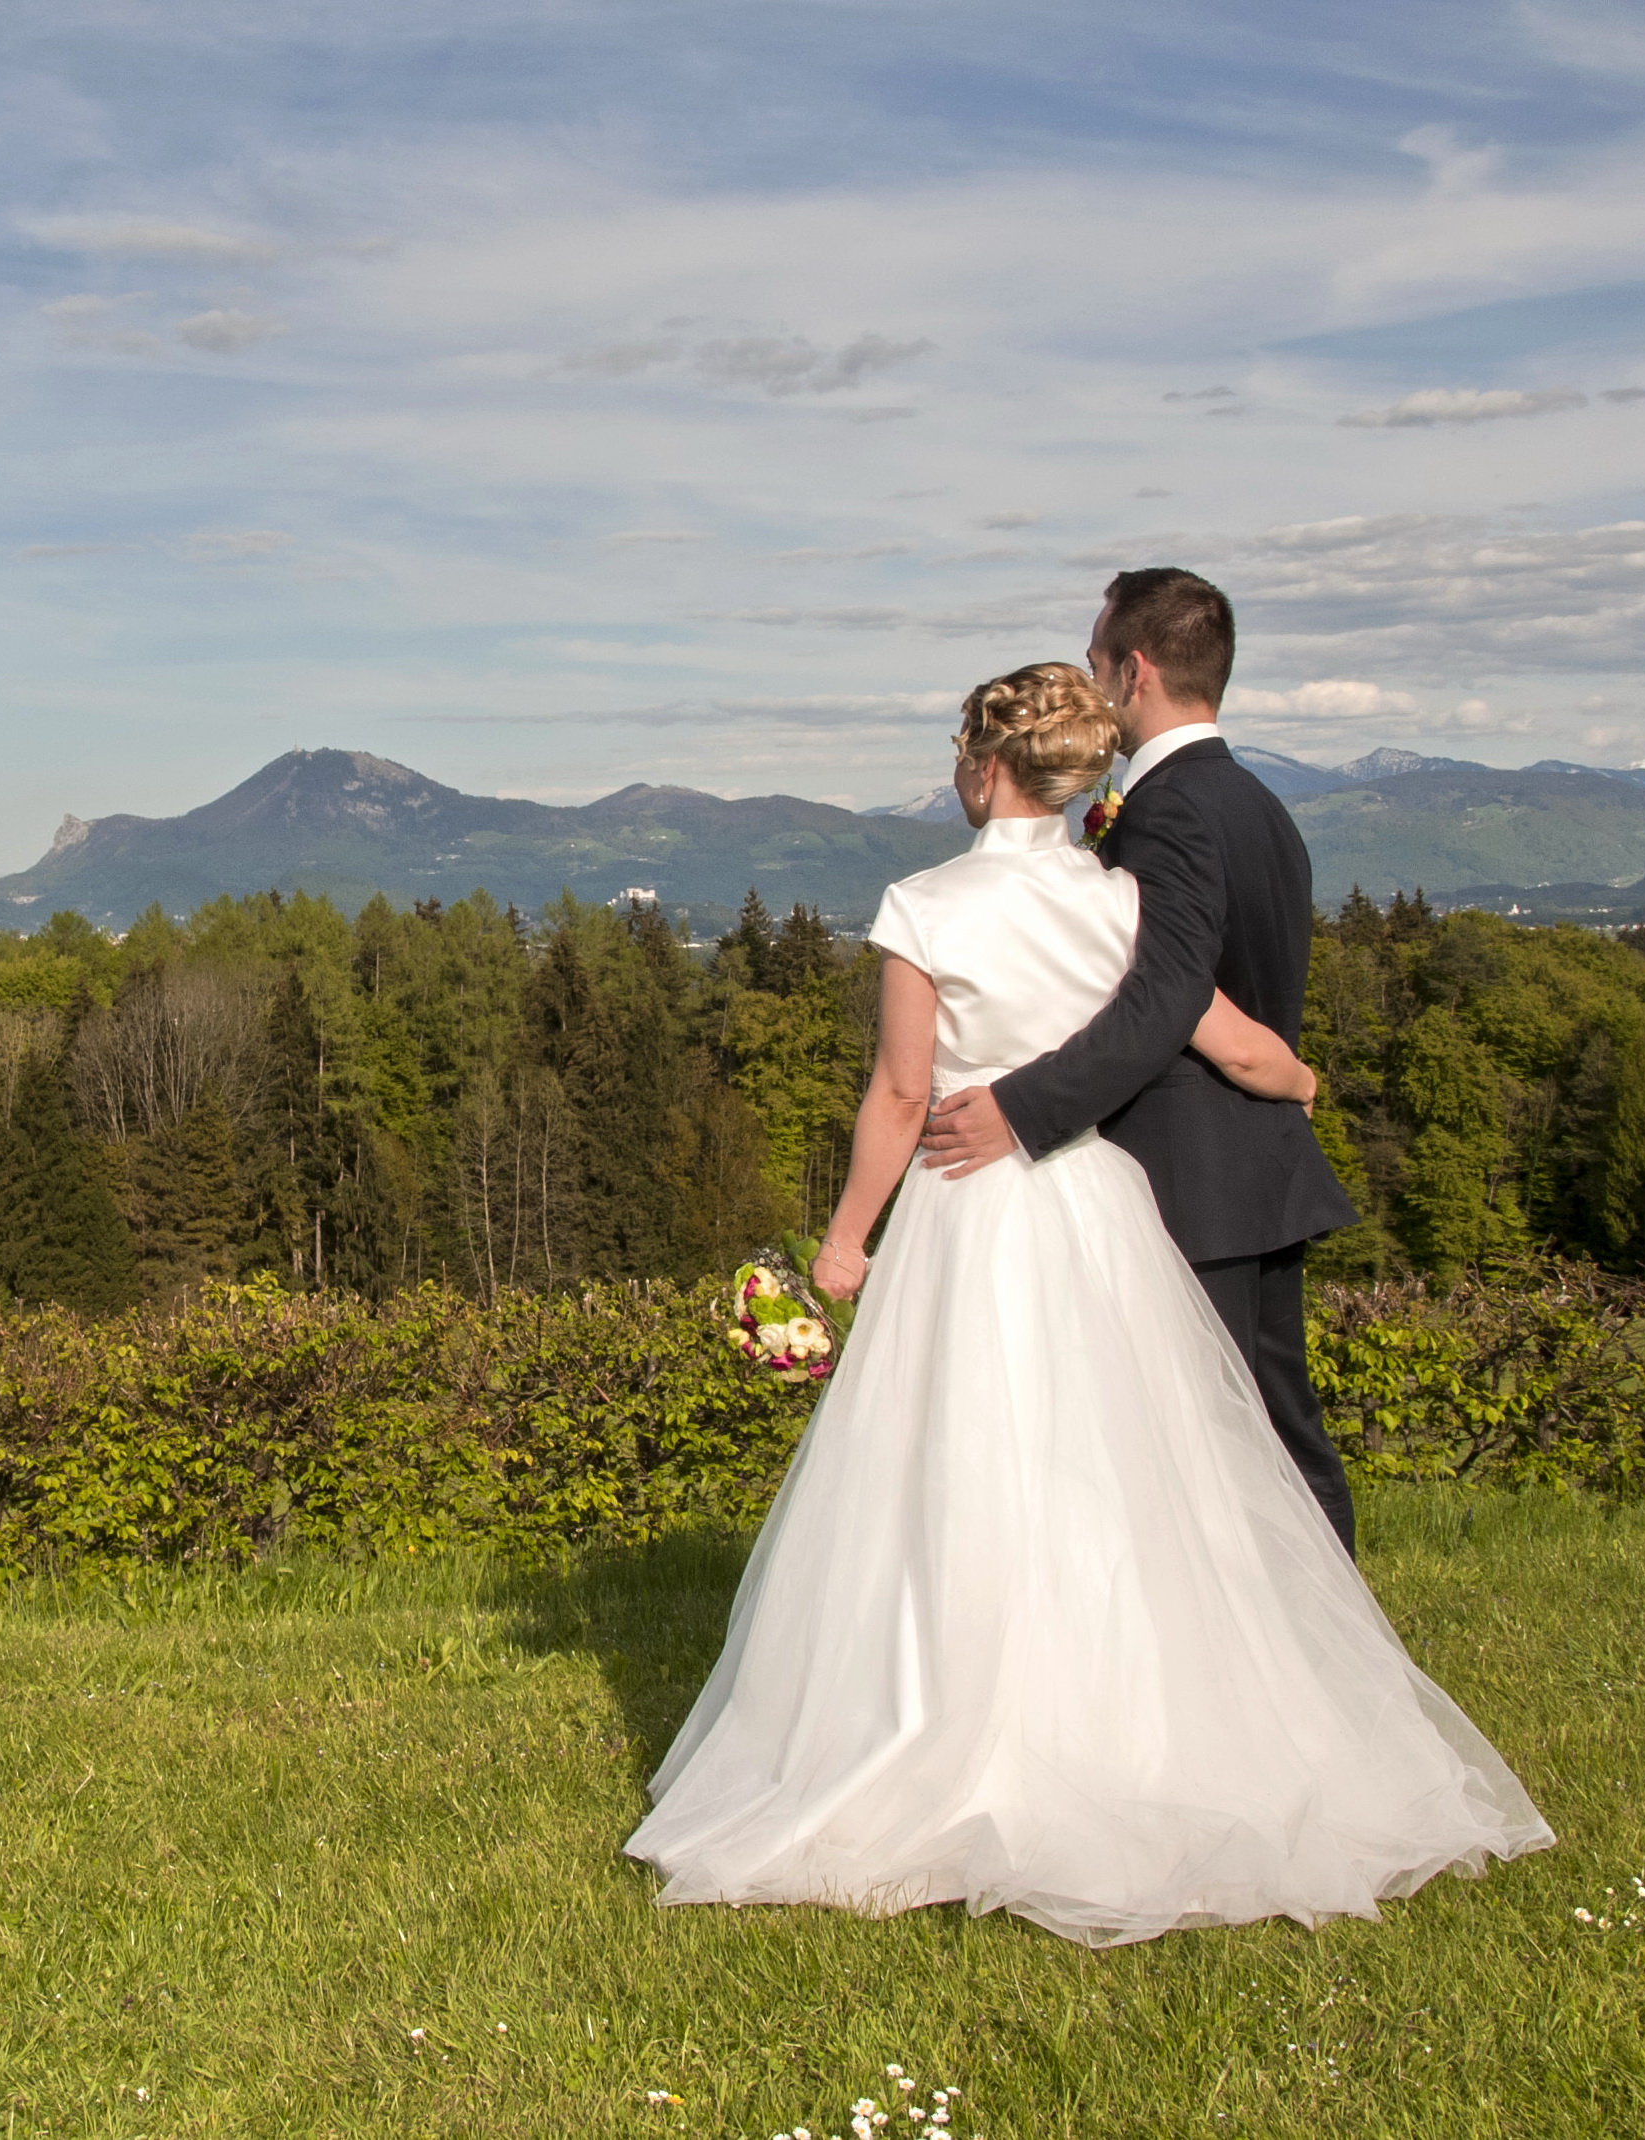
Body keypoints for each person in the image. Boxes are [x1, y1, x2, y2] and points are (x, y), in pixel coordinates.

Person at [623, 661, 1551, 1946]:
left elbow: (900, 1097)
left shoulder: (923, 906)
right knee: (1122, 1471)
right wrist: (1304, 1084)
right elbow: (1227, 1039)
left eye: (958, 751)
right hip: (1097, 1207)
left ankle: (945, 1727)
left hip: (965, 1215)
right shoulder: (1122, 903)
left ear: (986, 766)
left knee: (952, 1472)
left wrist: (844, 1244)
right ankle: (1131, 1731)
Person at [917, 569, 1361, 1550]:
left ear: (1136, 669)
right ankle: (1328, 1657)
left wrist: (1019, 1109)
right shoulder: (1256, 803)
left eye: (1094, 661)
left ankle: (1305, 1669)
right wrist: (1286, 1074)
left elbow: (1165, 997)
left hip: (1194, 1172)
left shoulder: (1173, 814)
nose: (1089, 682)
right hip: (1256, 1161)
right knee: (1277, 1432)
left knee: (1218, 1444)